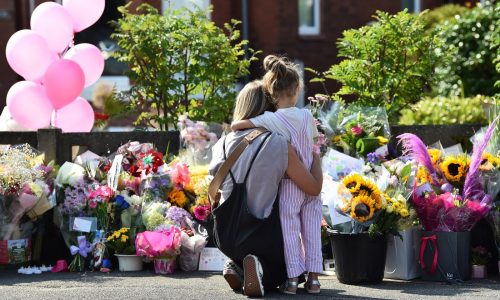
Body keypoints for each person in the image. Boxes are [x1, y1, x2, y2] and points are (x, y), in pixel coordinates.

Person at [209, 80, 323, 297]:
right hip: (262, 233)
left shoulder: (221, 143)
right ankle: (262, 271)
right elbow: (313, 188)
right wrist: (315, 155)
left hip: (226, 232)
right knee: (288, 267)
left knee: (243, 245)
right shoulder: (279, 143)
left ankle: (238, 264)